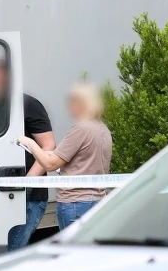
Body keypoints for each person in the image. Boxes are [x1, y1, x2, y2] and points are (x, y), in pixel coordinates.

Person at [0, 59, 55, 250]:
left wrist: (26, 183)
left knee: (11, 253)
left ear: (8, 77)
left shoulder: (27, 105)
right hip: (0, 195)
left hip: (29, 198)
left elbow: (49, 145)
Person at [18, 81, 112, 229]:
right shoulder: (102, 128)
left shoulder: (80, 129)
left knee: (73, 251)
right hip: (97, 200)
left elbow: (50, 165)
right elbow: (82, 161)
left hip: (75, 203)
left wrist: (29, 143)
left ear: (80, 103)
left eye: (71, 100)